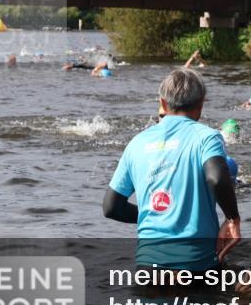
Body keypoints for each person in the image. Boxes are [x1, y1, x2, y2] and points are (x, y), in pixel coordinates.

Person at [102, 69, 241, 272]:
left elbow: (111, 207)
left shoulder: (136, 143)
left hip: (148, 266)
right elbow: (217, 178)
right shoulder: (207, 137)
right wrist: (232, 219)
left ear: (163, 103)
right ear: (201, 104)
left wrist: (157, 214)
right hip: (198, 264)